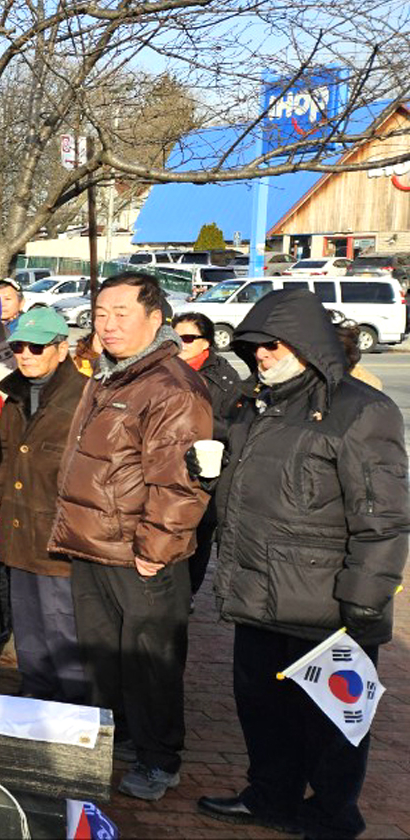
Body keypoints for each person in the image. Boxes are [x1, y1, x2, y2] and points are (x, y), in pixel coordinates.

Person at [198, 288, 408, 839]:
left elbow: (381, 516)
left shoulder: (361, 410)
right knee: (263, 711)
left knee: (335, 725)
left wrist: (364, 599)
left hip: (327, 605)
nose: (261, 355)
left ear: (307, 345)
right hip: (257, 594)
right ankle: (270, 798)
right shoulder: (251, 404)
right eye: (253, 345)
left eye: (272, 344)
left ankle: (332, 818)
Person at [51, 271, 211, 802]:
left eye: (122, 313)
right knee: (104, 655)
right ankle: (118, 740)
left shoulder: (170, 387)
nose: (109, 324)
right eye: (101, 313)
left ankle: (159, 758)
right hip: (95, 541)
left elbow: (182, 481)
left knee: (149, 661)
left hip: (139, 553)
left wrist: (155, 551)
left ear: (156, 319)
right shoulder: (110, 376)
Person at [0, 308, 88, 703]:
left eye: (36, 347)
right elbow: (6, 454)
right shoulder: (16, 397)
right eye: (19, 347)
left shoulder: (84, 399)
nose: (25, 355)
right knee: (27, 625)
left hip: (59, 535)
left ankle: (73, 707)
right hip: (19, 529)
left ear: (62, 349)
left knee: (63, 627)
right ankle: (36, 698)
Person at [172, 311, 244, 596]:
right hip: (167, 466)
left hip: (206, 471)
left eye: (188, 338)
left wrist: (199, 426)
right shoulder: (162, 370)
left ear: (206, 343)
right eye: (176, 337)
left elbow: (233, 427)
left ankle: (187, 593)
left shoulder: (224, 378)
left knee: (199, 534)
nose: (181, 343)